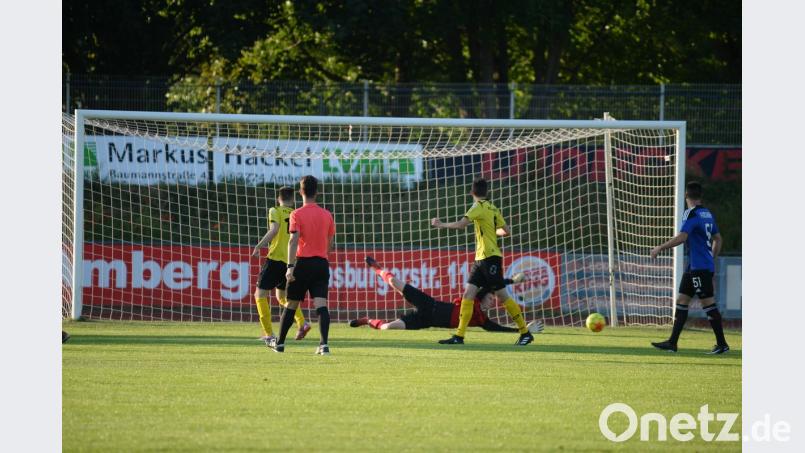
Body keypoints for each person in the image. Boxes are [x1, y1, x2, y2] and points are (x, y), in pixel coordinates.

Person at [431, 177, 533, 346]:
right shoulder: (493, 207)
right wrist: (492, 232)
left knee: (502, 295)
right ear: (487, 192)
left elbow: (462, 224)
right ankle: (459, 336)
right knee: (468, 294)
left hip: (489, 258)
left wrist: (442, 225)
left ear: (472, 193)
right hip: (481, 259)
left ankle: (525, 332)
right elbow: (506, 231)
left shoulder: (477, 207)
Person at [351, 256, 544, 334]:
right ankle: (377, 269)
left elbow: (499, 329)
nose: (492, 302)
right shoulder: (474, 299)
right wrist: (513, 281)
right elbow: (493, 284)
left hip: (424, 320)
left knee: (386, 328)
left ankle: (367, 321)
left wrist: (523, 330)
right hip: (429, 304)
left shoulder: (480, 320)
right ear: (486, 295)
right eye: (492, 298)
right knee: (394, 282)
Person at [650, 181, 728, 354]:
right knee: (682, 301)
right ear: (700, 196)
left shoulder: (691, 214)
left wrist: (660, 248)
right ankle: (672, 342)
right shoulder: (707, 213)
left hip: (699, 266)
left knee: (708, 304)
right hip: (695, 266)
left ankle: (722, 344)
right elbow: (718, 238)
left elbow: (682, 237)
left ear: (686, 196)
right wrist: (711, 258)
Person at [269, 176, 336, 355]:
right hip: (321, 264)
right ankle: (324, 345)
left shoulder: (296, 214)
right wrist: (321, 254)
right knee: (321, 306)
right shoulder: (327, 215)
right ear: (317, 192)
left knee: (290, 305)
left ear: (300, 192)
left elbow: (293, 240)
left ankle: (280, 344)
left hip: (303, 264)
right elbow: (330, 243)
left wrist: (290, 267)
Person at [251, 186, 311, 346]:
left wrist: (259, 246)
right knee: (282, 297)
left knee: (260, 295)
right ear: (293, 200)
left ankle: (269, 334)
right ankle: (302, 323)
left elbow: (274, 229)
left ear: (279, 199)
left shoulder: (274, 210)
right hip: (291, 262)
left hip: (275, 259)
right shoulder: (295, 214)